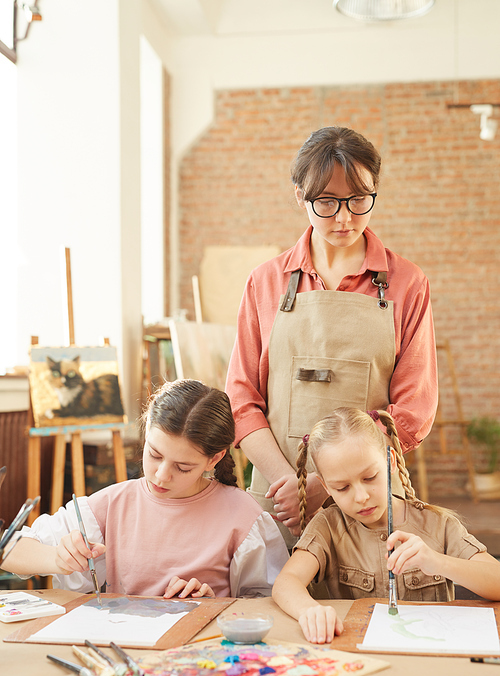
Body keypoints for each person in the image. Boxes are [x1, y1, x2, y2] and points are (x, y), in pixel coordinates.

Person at [226, 126, 438, 548]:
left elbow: (414, 409)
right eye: (326, 202)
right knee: (277, 605)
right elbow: (241, 399)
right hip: (279, 499)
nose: (344, 218)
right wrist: (291, 481)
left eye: (359, 199)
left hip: (369, 497)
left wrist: (327, 481)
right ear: (300, 195)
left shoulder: (406, 283)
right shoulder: (265, 282)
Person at [3, 379, 289, 598]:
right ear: (147, 428)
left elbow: (268, 602)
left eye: (183, 467)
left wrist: (213, 604)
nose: (161, 476)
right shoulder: (111, 505)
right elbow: (8, 550)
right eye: (154, 454)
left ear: (214, 458)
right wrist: (57, 558)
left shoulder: (243, 516)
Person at [272, 407, 500, 644]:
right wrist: (308, 610)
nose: (361, 497)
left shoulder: (438, 525)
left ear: (389, 461)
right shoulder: (328, 526)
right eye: (342, 488)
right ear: (326, 487)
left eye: (370, 477)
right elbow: (286, 583)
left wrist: (437, 562)